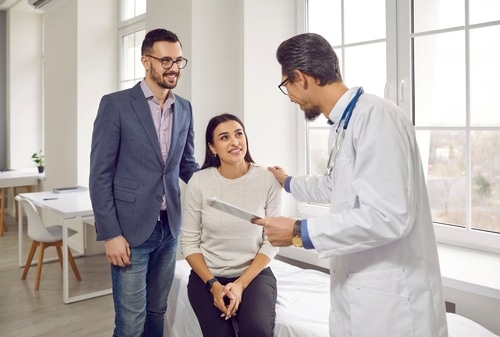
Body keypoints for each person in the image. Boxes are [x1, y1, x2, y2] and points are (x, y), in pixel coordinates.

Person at [253, 33, 449, 337]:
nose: (289, 96)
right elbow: (337, 185)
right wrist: (289, 183)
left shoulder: (376, 117)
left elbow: (389, 216)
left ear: (300, 78)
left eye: (286, 86)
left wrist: (297, 230)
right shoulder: (345, 124)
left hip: (392, 304)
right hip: (360, 294)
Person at [89, 28, 199, 337]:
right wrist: (110, 233)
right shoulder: (116, 104)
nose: (173, 67)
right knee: (131, 323)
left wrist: (230, 178)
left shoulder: (185, 108)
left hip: (169, 228)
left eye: (178, 60)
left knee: (157, 313)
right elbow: (100, 174)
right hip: (129, 231)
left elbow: (186, 165)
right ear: (145, 61)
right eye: (165, 60)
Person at [180, 113, 282, 337]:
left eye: (238, 134)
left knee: (255, 329)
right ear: (213, 148)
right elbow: (188, 242)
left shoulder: (268, 180)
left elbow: (271, 242)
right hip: (207, 277)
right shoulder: (199, 181)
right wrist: (214, 286)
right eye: (224, 137)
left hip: (253, 275)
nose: (235, 142)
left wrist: (240, 284)